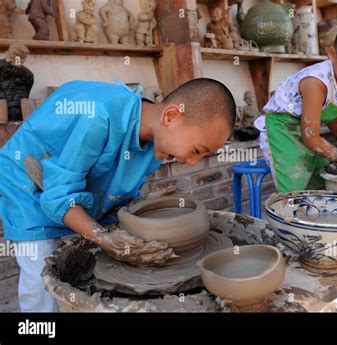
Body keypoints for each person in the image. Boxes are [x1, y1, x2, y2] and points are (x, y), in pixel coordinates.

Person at [0, 78, 236, 312]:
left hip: (68, 183)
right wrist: (103, 238)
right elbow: (59, 198)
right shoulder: (99, 117)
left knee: (94, 258)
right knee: (42, 279)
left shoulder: (157, 141)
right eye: (197, 150)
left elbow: (111, 186)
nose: (192, 162)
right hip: (27, 181)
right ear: (171, 116)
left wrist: (139, 203)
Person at [254, 17, 337, 192]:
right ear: (332, 53)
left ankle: (315, 213)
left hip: (306, 130)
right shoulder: (315, 84)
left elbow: (325, 110)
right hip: (282, 129)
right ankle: (289, 216)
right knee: (295, 188)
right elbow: (311, 138)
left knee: (323, 175)